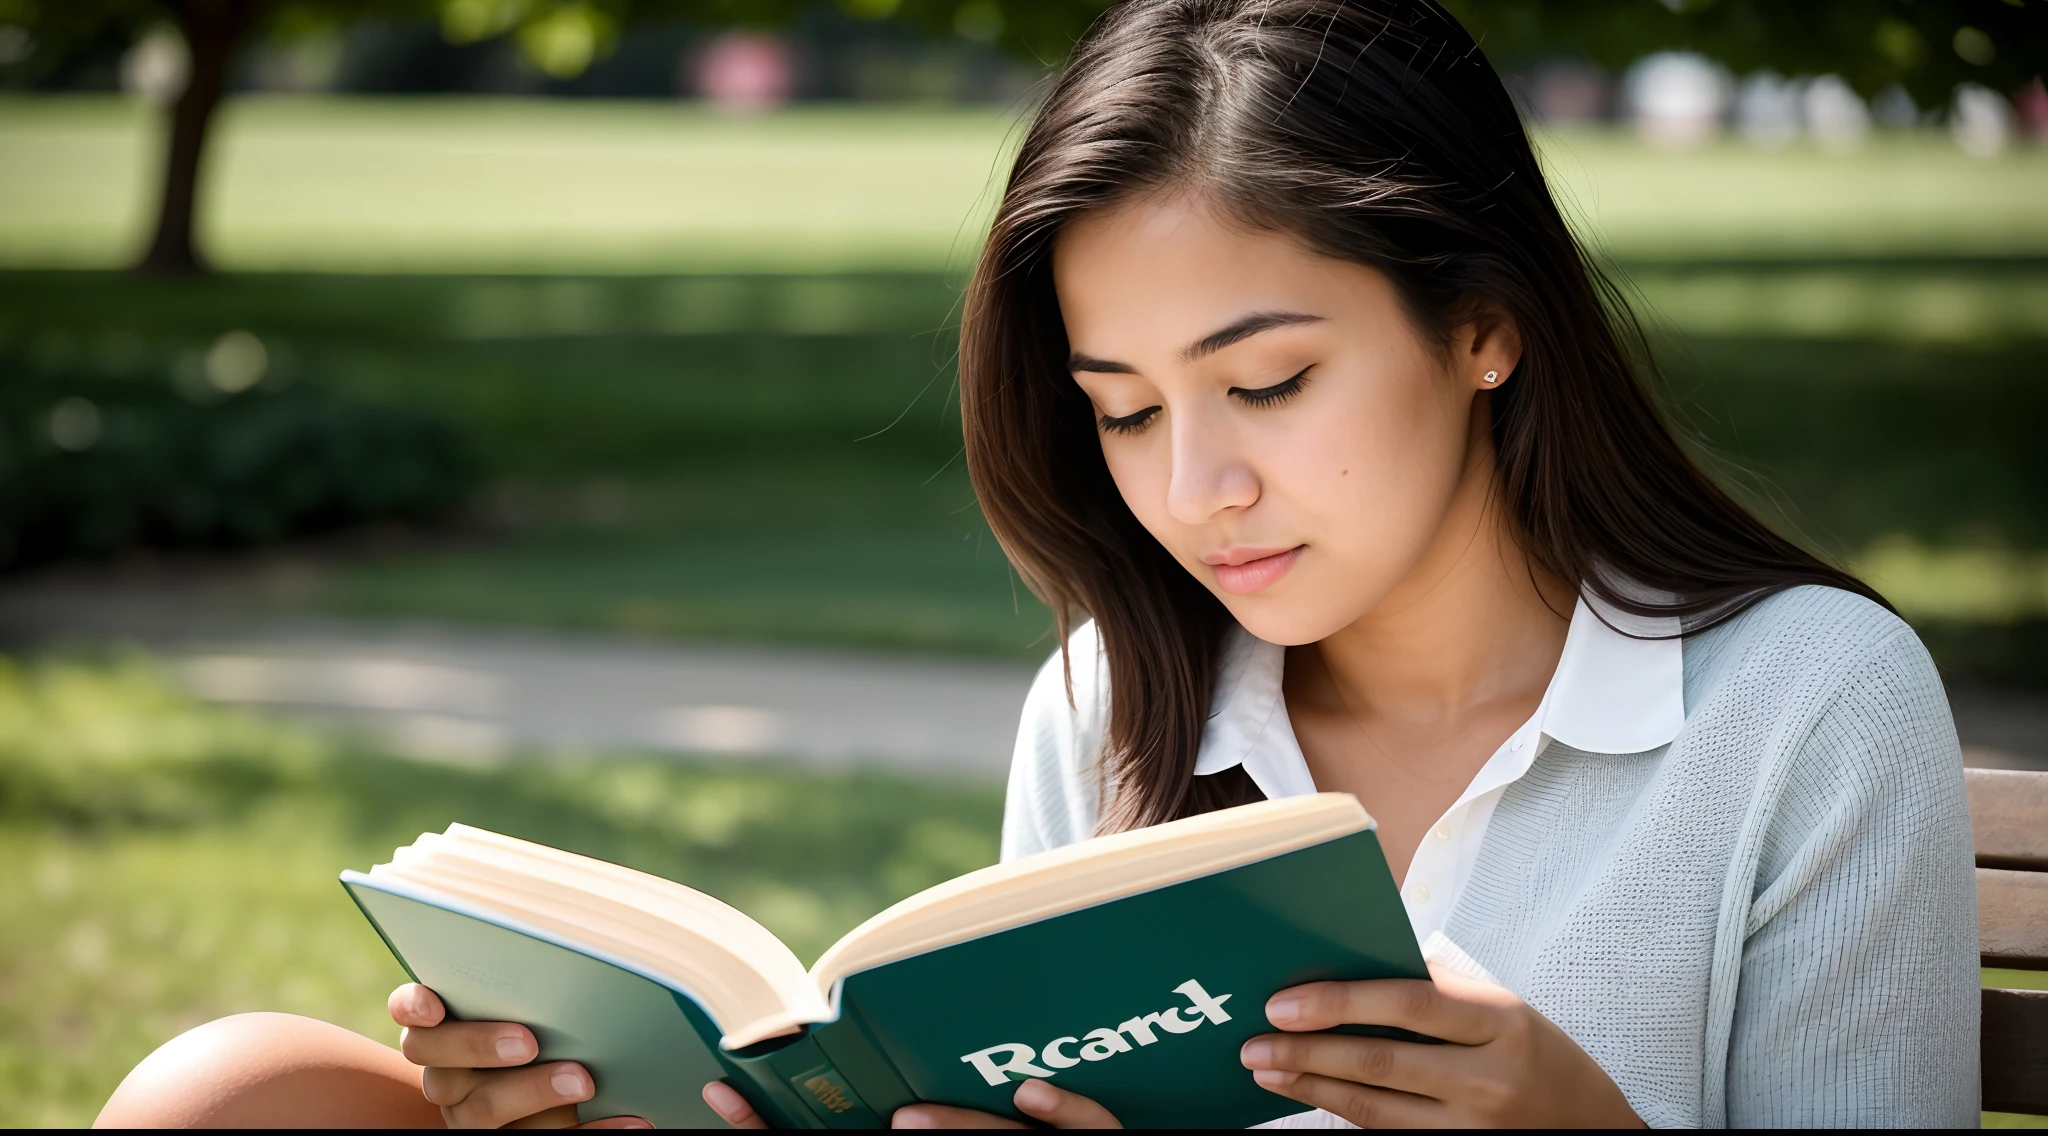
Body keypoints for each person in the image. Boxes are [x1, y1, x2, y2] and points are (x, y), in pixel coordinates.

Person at [95, 0, 1978, 1128]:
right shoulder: (1122, 689)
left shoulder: (1800, 704)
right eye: (1125, 408)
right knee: (242, 1092)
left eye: (1267, 380)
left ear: (1488, 329)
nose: (1198, 486)